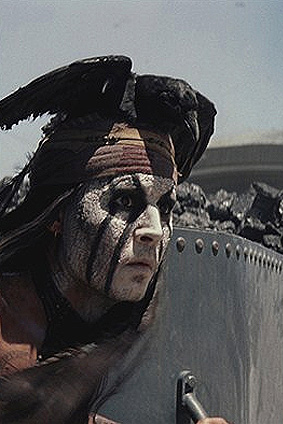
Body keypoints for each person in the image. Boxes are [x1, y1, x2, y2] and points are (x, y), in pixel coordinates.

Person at [0, 56, 227, 424]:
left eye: (165, 208)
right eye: (124, 201)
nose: (154, 230)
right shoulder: (7, 324)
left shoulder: (127, 317)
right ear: (58, 215)